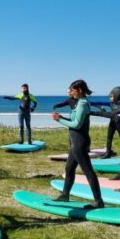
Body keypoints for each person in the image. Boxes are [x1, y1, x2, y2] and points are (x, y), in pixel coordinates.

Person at [51, 80, 104, 208]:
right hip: (76, 143)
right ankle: (65, 195)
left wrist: (60, 120)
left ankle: (98, 201)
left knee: (88, 172)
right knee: (69, 169)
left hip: (80, 142)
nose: (70, 93)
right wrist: (62, 118)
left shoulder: (82, 104)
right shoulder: (80, 103)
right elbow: (75, 120)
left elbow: (76, 125)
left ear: (80, 90)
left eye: (73, 90)